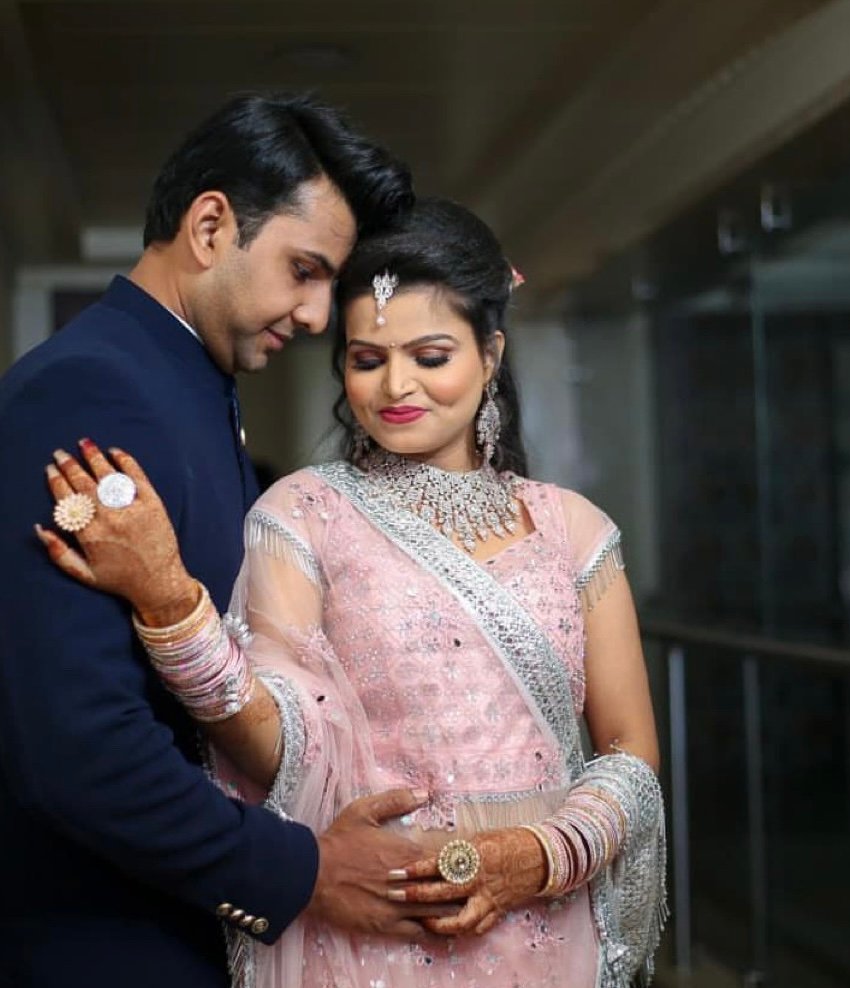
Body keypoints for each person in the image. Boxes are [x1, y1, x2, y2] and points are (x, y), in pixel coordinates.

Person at [38, 199, 667, 987]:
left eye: (431, 356)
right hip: (375, 929)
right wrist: (170, 604)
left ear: (490, 354)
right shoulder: (304, 514)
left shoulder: (573, 528)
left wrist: (536, 856)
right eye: (368, 359)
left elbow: (630, 751)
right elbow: (275, 745)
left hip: (547, 927)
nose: (397, 385)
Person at [0, 94, 455, 988]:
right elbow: (76, 746)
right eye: (303, 271)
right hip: (104, 945)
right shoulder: (89, 390)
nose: (318, 316)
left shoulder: (185, 385)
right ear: (210, 227)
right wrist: (302, 872)